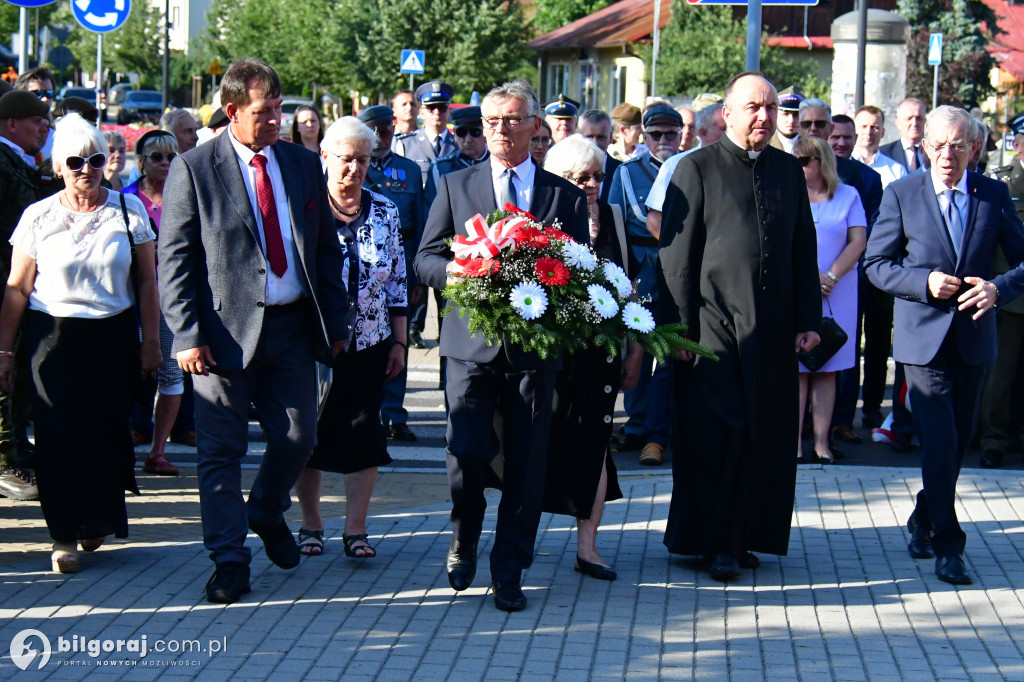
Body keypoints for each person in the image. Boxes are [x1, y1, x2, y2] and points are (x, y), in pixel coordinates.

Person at [158, 58, 349, 604]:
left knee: (299, 435)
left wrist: (334, 322)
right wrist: (186, 333)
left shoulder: (299, 162)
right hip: (221, 337)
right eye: (263, 112)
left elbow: (323, 250)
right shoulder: (194, 168)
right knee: (221, 451)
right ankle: (228, 559)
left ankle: (266, 508)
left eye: (278, 110)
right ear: (233, 110)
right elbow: (174, 260)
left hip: (291, 329)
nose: (274, 121)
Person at [414, 78, 588, 612]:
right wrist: (463, 274)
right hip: (470, 346)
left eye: (512, 120)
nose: (501, 130)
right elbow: (424, 259)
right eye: (492, 121)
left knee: (527, 463)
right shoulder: (455, 186)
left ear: (536, 126)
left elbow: (583, 272)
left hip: (535, 354)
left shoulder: (564, 196)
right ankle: (464, 534)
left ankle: (509, 568)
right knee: (466, 452)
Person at [658, 71, 821, 582]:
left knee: (764, 435)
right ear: (727, 113)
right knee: (719, 436)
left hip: (771, 331)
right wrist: (677, 331)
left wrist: (808, 320)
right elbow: (676, 258)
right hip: (712, 330)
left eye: (770, 108)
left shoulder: (787, 171)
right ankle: (715, 543)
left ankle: (748, 535)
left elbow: (802, 247)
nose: (764, 117)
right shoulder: (697, 168)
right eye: (753, 107)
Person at [863, 105, 1024, 586]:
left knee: (953, 445)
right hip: (922, 340)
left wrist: (999, 289)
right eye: (938, 145)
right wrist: (923, 281)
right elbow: (876, 264)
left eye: (957, 145)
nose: (947, 155)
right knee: (939, 439)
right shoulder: (902, 194)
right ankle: (949, 545)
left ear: (974, 148)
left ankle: (923, 514)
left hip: (975, 336)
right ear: (925, 146)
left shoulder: (993, 195)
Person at [0, 113, 161, 572]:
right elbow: (17, 287)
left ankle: (96, 519)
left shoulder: (128, 214)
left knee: (106, 432)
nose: (85, 169)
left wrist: (151, 341)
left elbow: (148, 282)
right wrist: (4, 351)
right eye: (74, 162)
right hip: (52, 339)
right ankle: (62, 533)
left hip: (112, 337)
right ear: (58, 167)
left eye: (93, 159)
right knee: (56, 437)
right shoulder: (38, 216)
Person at [293, 117, 408, 559]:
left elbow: (397, 277)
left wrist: (399, 342)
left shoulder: (384, 209)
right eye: (345, 159)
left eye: (363, 160)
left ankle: (355, 529)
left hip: (370, 340)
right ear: (324, 157)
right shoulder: (305, 208)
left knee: (363, 433)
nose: (354, 170)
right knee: (309, 433)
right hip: (314, 342)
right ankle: (310, 523)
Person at [542, 134, 641, 580]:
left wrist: (635, 349)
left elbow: (633, 290)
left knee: (597, 444)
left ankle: (588, 546)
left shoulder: (616, 219)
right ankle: (518, 539)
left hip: (601, 355)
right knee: (540, 443)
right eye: (579, 177)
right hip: (552, 355)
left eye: (598, 176)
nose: (591, 184)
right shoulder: (542, 220)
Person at [606, 103, 682, 466]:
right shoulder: (625, 173)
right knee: (634, 344)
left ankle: (660, 430)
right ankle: (636, 425)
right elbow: (614, 224)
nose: (664, 140)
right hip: (640, 265)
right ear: (643, 135)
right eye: (656, 134)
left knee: (667, 349)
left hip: (678, 266)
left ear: (683, 135)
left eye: (671, 134)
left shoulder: (690, 168)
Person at [793, 136, 867, 464]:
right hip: (796, 293)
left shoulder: (848, 195)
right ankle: (792, 443)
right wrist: (807, 281)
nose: (798, 166)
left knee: (827, 369)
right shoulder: (787, 195)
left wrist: (832, 276)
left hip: (839, 293)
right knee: (796, 369)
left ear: (821, 162)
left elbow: (858, 241)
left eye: (804, 161)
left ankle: (822, 443)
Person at [357, 104, 425, 442]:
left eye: (387, 129)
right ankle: (368, 410)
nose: (382, 136)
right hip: (361, 273)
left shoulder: (409, 171)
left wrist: (417, 277)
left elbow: (421, 228)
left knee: (398, 340)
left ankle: (394, 413)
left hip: (400, 266)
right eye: (375, 130)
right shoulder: (355, 167)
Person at [124, 130, 183, 476]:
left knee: (171, 372)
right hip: (129, 300)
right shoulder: (124, 199)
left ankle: (158, 450)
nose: (164, 163)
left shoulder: (185, 197)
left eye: (171, 156)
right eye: (156, 157)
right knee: (124, 374)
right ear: (142, 162)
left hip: (171, 301)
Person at [0, 90, 49, 502]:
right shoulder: (2, 162)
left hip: (17, 286)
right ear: (12, 123)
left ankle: (16, 449)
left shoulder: (19, 162)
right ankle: (5, 463)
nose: (44, 129)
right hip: (5, 285)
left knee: (15, 377)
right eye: (37, 121)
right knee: (4, 372)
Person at [418, 106, 491, 355]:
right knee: (449, 322)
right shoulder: (442, 168)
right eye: (461, 133)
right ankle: (448, 380)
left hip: (492, 257)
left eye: (475, 132)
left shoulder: (497, 165)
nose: (468, 139)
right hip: (454, 261)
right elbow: (431, 218)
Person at [980, 114, 1024, 469]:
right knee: (1002, 372)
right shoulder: (1003, 183)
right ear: (1018, 143)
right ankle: (994, 438)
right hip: (1013, 293)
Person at [646, 103, 726, 240]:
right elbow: (654, 221)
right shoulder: (677, 164)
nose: (730, 135)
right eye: (723, 129)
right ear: (703, 133)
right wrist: (681, 253)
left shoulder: (743, 163)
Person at [395, 81, 456, 185]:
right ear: (421, 112)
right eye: (431, 108)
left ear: (448, 111)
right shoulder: (405, 144)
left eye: (442, 107)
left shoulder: (460, 144)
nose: (436, 112)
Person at [853, 106, 908, 189]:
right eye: (864, 126)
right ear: (854, 130)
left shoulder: (897, 171)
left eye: (874, 127)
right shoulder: (840, 165)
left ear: (882, 132)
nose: (868, 132)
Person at [577, 108, 621, 203]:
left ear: (610, 137)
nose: (594, 143)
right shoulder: (570, 171)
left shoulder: (621, 171)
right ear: (578, 136)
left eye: (601, 137)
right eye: (589, 137)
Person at [13, 67, 55, 162]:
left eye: (49, 93)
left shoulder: (58, 138)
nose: (45, 99)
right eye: (38, 93)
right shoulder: (10, 135)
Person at [879, 98, 927, 173]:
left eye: (919, 118)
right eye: (909, 118)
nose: (914, 123)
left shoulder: (934, 152)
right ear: (897, 123)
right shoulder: (883, 154)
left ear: (925, 121)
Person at [769, 86, 802, 154]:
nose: (791, 120)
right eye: (785, 114)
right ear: (775, 115)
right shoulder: (764, 145)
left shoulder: (812, 146)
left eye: (796, 115)